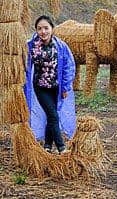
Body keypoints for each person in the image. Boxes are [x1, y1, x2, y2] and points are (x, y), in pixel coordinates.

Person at [24, 15, 76, 154]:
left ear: (52, 29)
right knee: (53, 115)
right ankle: (61, 147)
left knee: (51, 115)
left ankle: (47, 145)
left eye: (46, 28)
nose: (43, 32)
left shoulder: (61, 46)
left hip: (56, 87)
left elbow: (68, 67)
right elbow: (21, 60)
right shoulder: (30, 45)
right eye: (39, 29)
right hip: (40, 87)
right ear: (36, 30)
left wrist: (65, 87)